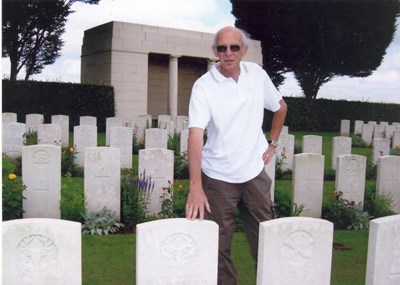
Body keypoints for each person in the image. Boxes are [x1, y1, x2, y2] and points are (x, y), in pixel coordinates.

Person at [185, 26, 287, 285]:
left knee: (265, 242)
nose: (228, 53)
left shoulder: (256, 75)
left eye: (234, 47)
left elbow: (281, 107)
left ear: (244, 50)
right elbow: (196, 135)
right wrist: (195, 187)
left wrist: (272, 143)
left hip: (254, 173)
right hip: (218, 178)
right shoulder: (204, 87)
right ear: (214, 51)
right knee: (218, 248)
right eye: (222, 48)